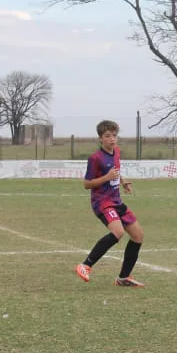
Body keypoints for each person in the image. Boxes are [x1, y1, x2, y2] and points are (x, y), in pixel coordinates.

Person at [74, 119, 145, 287]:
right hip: (102, 202)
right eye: (107, 136)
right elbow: (86, 184)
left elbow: (116, 172)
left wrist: (123, 181)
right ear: (100, 138)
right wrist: (106, 178)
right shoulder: (95, 158)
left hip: (116, 200)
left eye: (114, 135)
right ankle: (85, 265)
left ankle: (123, 278)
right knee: (118, 232)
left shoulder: (117, 152)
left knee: (138, 236)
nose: (112, 139)